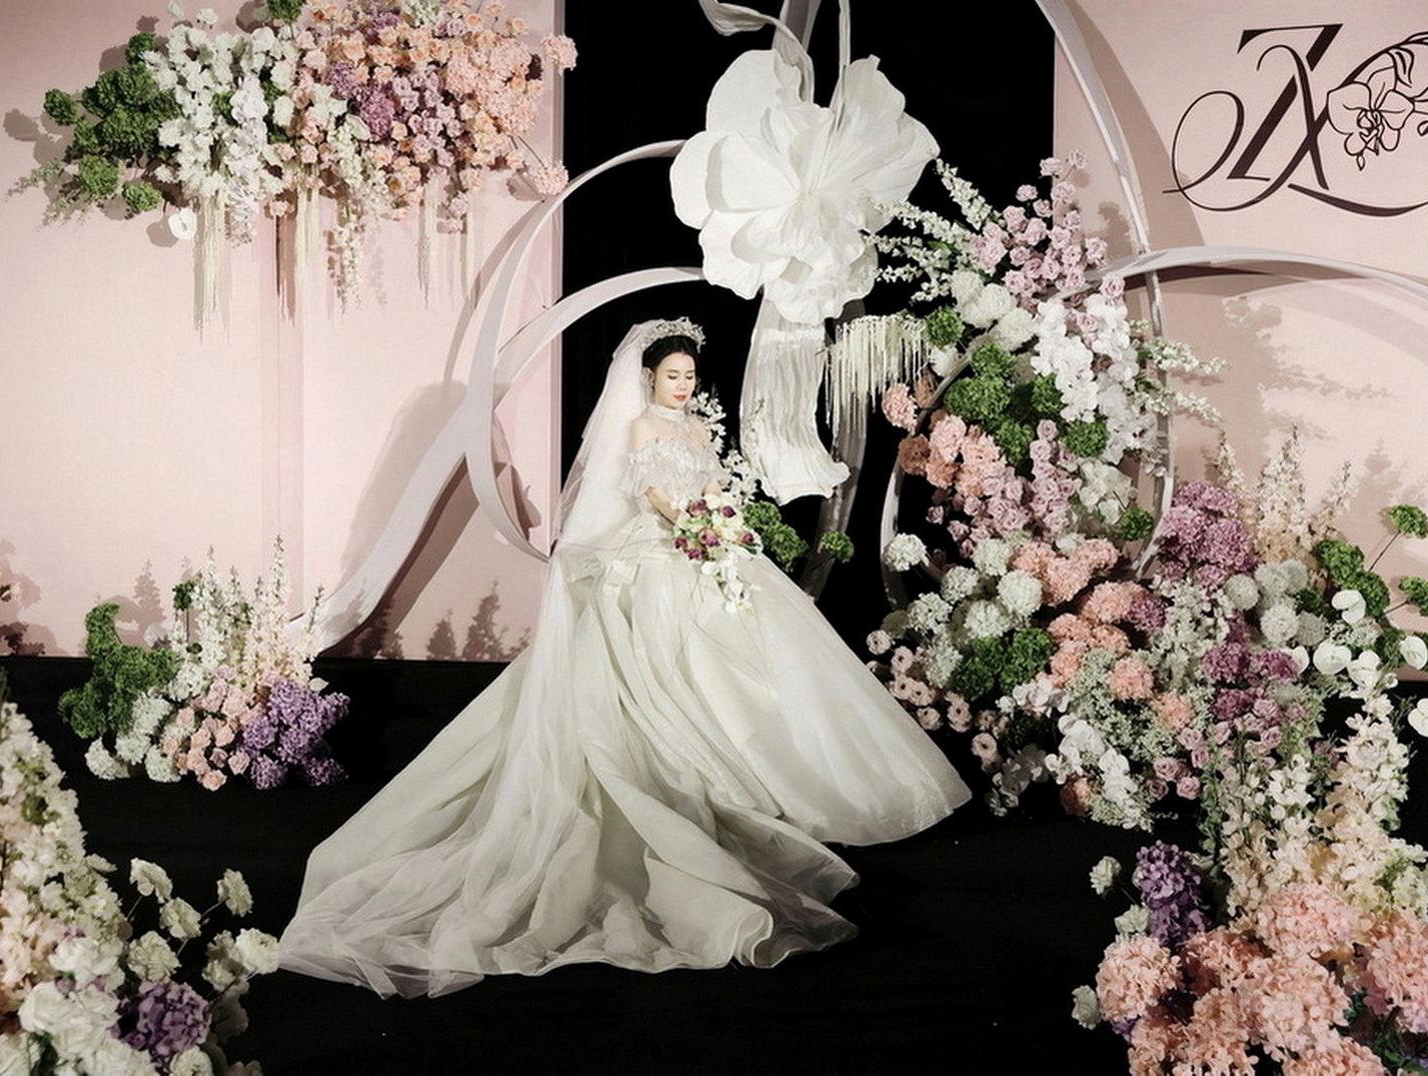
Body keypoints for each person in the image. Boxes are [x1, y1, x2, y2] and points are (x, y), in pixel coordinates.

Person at [279, 318, 970, 998]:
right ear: (648, 377)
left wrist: (725, 521)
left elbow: (711, 483)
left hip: (707, 541)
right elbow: (650, 493)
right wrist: (693, 525)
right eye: (672, 376)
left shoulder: (696, 427)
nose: (683, 386)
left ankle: (778, 770)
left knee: (761, 646)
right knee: (661, 646)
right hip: (661, 546)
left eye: (690, 376)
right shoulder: (639, 427)